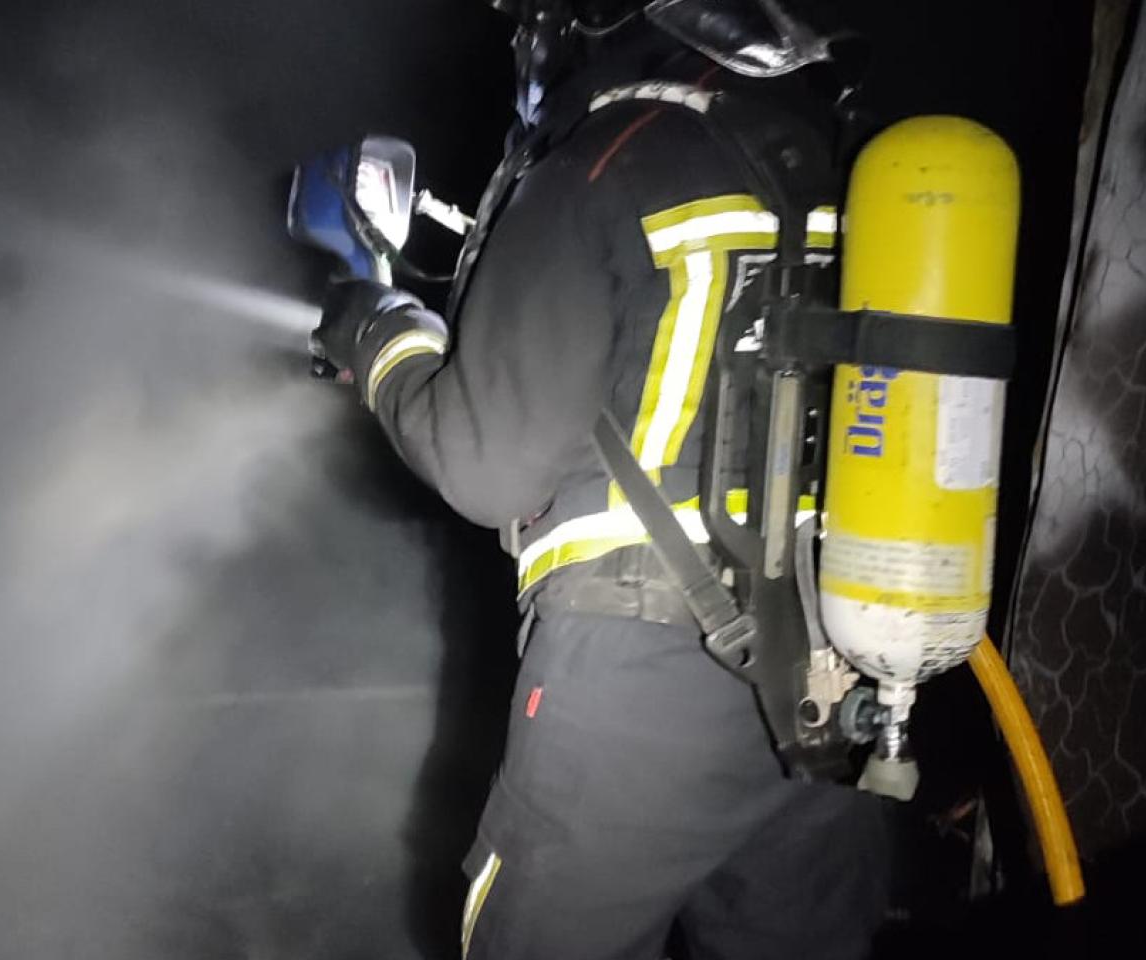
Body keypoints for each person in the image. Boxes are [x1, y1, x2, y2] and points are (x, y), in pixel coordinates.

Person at [313, 2, 890, 957]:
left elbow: (483, 460)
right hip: (836, 679)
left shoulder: (603, 161)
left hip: (636, 687)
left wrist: (377, 333)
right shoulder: (838, 166)